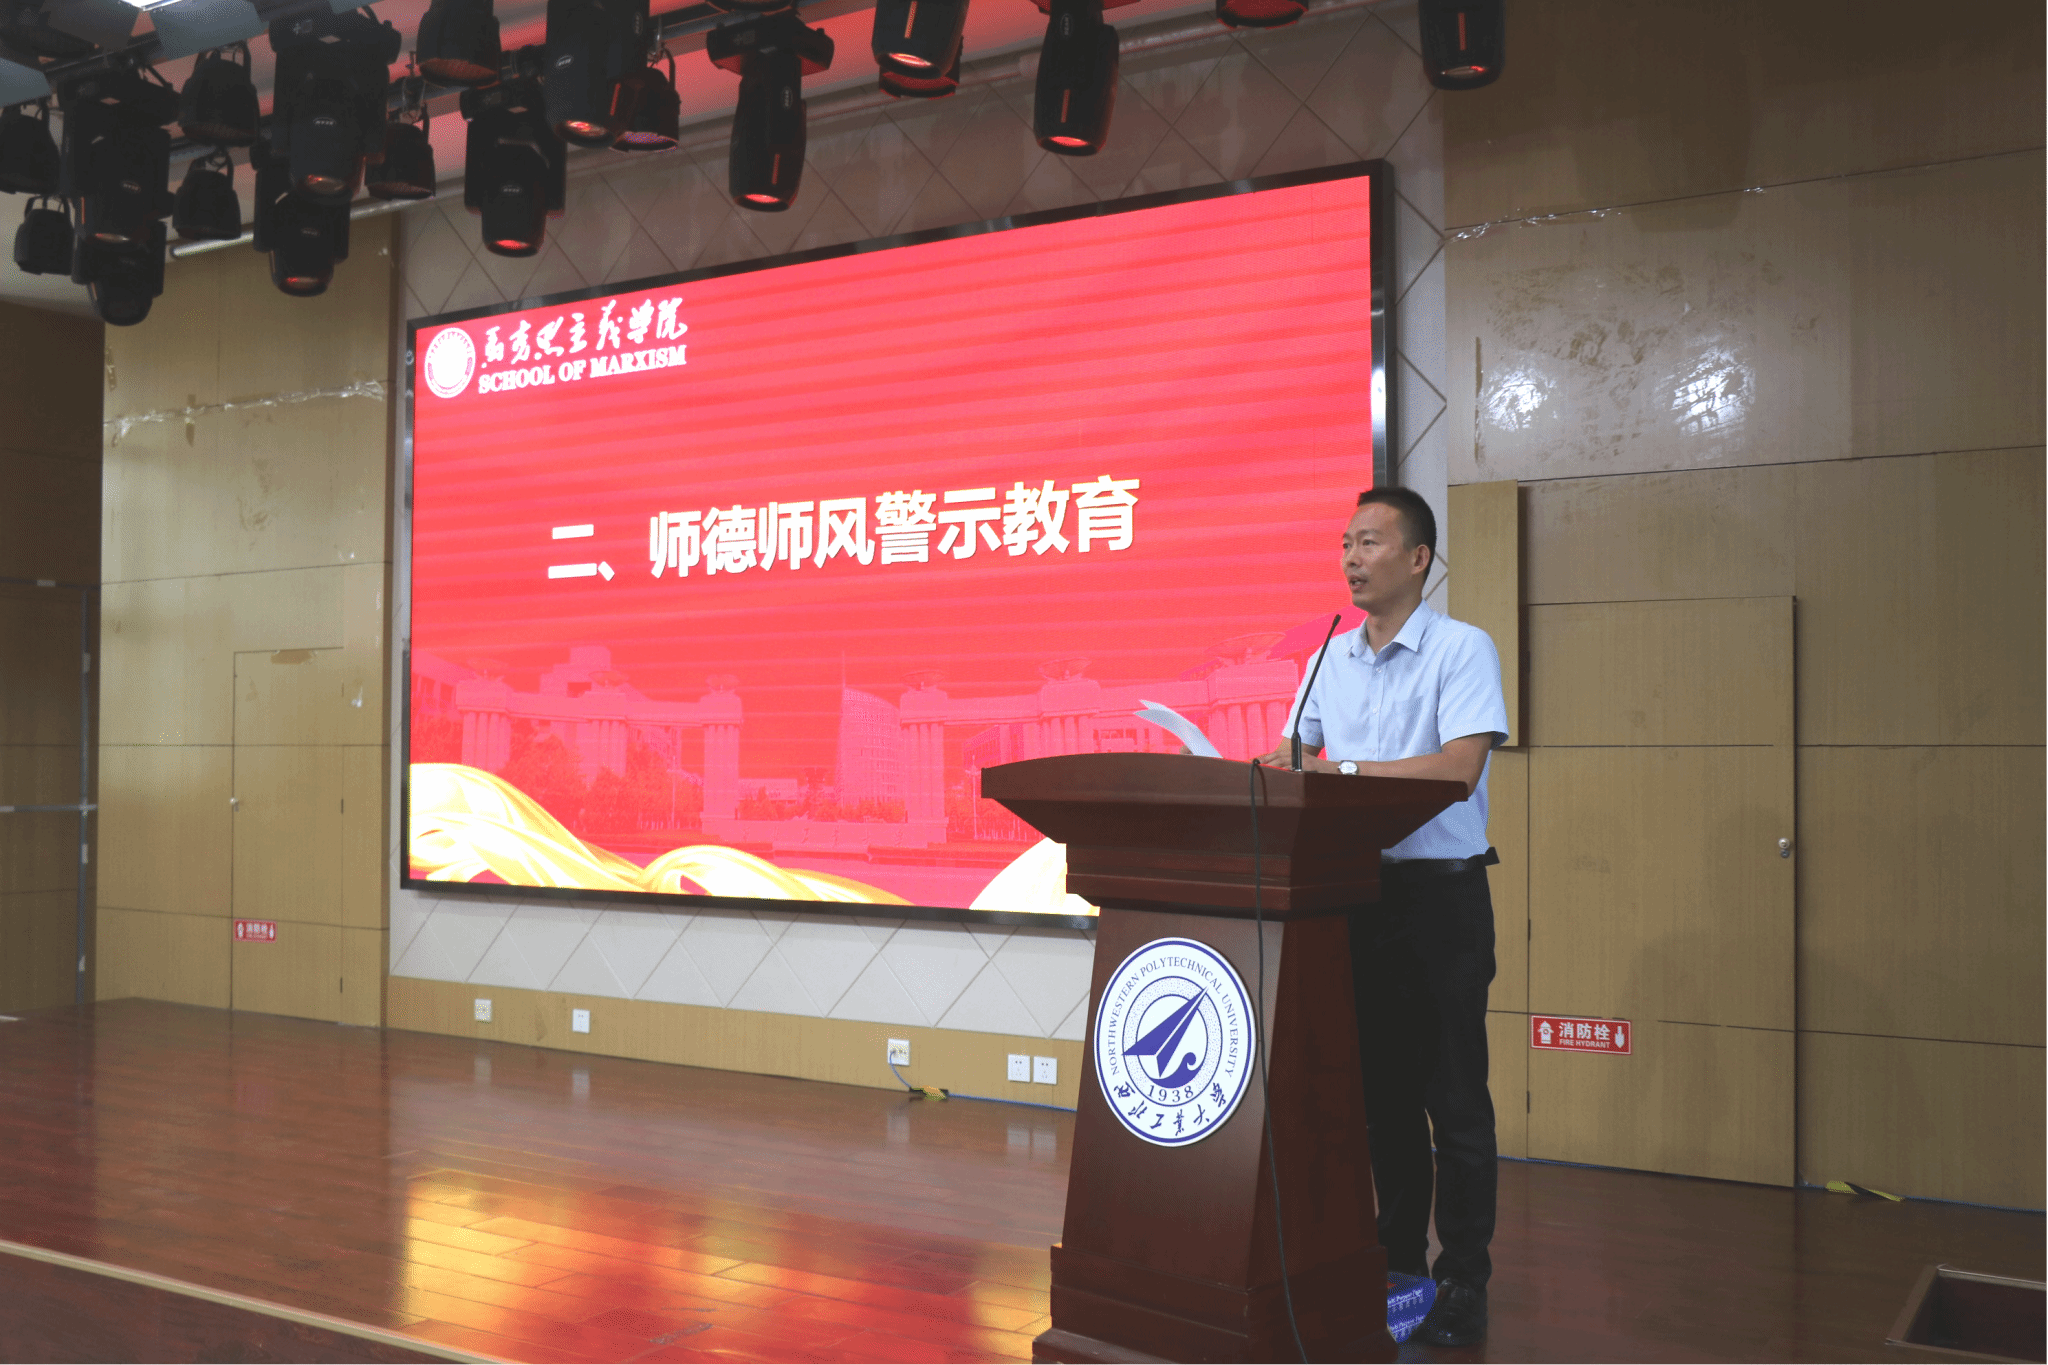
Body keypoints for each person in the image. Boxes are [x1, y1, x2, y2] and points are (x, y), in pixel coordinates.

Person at [1256, 486, 1508, 1348]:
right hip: (1357, 895)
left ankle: (1464, 1279)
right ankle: (1398, 1263)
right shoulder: (1329, 655)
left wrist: (1345, 772)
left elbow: (1458, 768)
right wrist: (1263, 769)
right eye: (1344, 544)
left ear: (1418, 557)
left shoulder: (1461, 647)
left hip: (1440, 898)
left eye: (1368, 542)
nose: (1351, 559)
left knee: (1454, 1099)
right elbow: (1298, 756)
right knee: (1384, 1102)